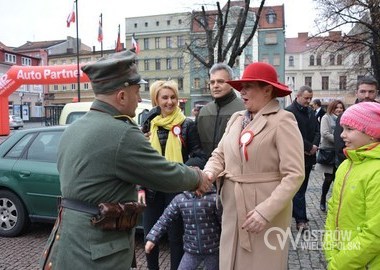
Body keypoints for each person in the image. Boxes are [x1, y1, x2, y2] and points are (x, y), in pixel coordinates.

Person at [39, 50, 212, 270]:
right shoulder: (121, 132)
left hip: (67, 240)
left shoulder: (74, 128)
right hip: (97, 250)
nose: (140, 99)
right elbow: (162, 173)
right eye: (137, 91)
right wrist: (197, 177)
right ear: (121, 96)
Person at [203, 62, 305, 269]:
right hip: (232, 210)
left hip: (264, 216)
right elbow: (219, 154)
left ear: (267, 90)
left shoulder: (283, 120)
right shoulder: (236, 118)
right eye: (241, 87)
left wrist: (265, 212)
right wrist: (208, 174)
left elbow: (294, 174)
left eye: (248, 86)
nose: (242, 92)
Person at [139, 80, 207, 270]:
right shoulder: (148, 125)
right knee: (150, 236)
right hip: (152, 190)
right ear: (156, 100)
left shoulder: (187, 125)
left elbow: (201, 156)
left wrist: (181, 171)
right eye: (165, 98)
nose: (170, 102)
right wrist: (140, 187)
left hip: (176, 190)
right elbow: (140, 161)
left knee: (175, 238)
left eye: (173, 97)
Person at [324, 102, 380, 269]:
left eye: (349, 129)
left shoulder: (376, 172)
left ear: (371, 133)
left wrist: (339, 264)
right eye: (342, 129)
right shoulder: (346, 165)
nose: (342, 135)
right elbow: (333, 210)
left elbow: (374, 234)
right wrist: (331, 251)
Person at [145, 186, 221, 270]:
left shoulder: (215, 199)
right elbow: (165, 218)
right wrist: (152, 238)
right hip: (191, 252)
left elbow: (224, 222)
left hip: (213, 251)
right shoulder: (180, 199)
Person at [285, 85, 320, 231]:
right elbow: (292, 134)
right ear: (298, 96)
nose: (309, 101)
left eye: (310, 98)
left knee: (302, 189)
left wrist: (314, 146)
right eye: (306, 98)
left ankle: (297, 215)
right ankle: (301, 220)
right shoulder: (288, 113)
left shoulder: (311, 112)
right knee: (298, 190)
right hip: (294, 157)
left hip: (309, 157)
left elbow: (317, 131)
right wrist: (308, 147)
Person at [197, 63, 245, 158]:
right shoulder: (204, 111)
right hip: (207, 169)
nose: (215, 86)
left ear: (231, 83)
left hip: (235, 169)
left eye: (220, 81)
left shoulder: (244, 109)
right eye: (212, 82)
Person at [334, 76, 379, 167]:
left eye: (371, 92)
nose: (367, 95)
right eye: (363, 91)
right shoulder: (346, 115)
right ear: (356, 93)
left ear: (376, 93)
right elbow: (340, 146)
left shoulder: (378, 114)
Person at [316, 100, 345, 212]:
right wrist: (339, 141)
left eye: (341, 108)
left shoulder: (344, 118)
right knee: (328, 178)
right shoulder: (326, 118)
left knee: (339, 179)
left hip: (340, 153)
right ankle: (323, 199)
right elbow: (325, 133)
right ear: (332, 108)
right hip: (329, 152)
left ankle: (336, 202)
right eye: (337, 107)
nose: (339, 110)